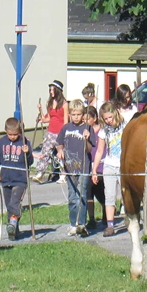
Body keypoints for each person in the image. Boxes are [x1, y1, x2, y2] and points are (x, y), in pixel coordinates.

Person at [0, 117, 34, 240]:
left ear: (20, 131)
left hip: (20, 180)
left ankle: (12, 224)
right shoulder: (1, 142)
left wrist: (27, 153)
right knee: (9, 206)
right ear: (5, 131)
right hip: (5, 179)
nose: (13, 137)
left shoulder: (25, 142)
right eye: (10, 134)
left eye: (15, 134)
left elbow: (30, 162)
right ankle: (14, 231)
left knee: (14, 203)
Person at [91, 101, 126, 237]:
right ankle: (110, 225)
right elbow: (100, 151)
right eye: (105, 119)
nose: (108, 121)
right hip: (109, 165)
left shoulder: (125, 125)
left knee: (126, 194)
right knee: (109, 196)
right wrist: (94, 170)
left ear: (115, 114)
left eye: (110, 117)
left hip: (123, 166)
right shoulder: (103, 131)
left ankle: (131, 219)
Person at [58, 100, 91, 236]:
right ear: (70, 114)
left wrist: (86, 139)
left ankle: (81, 224)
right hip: (70, 168)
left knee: (82, 196)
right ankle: (73, 223)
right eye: (73, 114)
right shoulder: (66, 128)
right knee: (72, 197)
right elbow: (59, 143)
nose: (76, 117)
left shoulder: (87, 128)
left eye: (78, 114)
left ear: (83, 114)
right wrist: (60, 151)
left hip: (83, 167)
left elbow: (89, 149)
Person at [35, 80, 66, 182]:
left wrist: (64, 134)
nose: (51, 92)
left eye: (53, 89)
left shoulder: (64, 104)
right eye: (50, 90)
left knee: (61, 154)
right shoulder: (49, 103)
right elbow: (47, 119)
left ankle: (63, 175)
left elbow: (65, 121)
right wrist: (40, 111)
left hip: (60, 133)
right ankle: (40, 173)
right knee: (45, 152)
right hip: (50, 132)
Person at [84, 105, 102, 231]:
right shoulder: (85, 132)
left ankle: (107, 216)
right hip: (88, 166)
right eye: (84, 119)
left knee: (102, 194)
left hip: (101, 166)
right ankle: (91, 218)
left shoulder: (101, 132)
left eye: (88, 119)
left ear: (95, 118)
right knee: (88, 193)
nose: (85, 121)